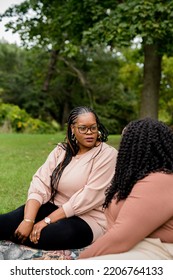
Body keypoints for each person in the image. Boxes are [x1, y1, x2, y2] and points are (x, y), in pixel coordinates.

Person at [0, 106, 117, 251]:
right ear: (72, 129)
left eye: (93, 128)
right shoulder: (61, 151)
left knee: (52, 236)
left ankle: (16, 236)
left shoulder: (108, 155)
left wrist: (45, 221)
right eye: (83, 128)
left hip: (88, 217)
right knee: (5, 222)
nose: (89, 133)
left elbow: (87, 197)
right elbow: (40, 183)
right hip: (54, 206)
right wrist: (28, 220)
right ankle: (17, 233)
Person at [79, 117, 173, 260]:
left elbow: (120, 238)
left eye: (126, 141)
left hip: (160, 251)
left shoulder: (160, 180)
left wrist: (79, 261)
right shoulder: (134, 180)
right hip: (136, 248)